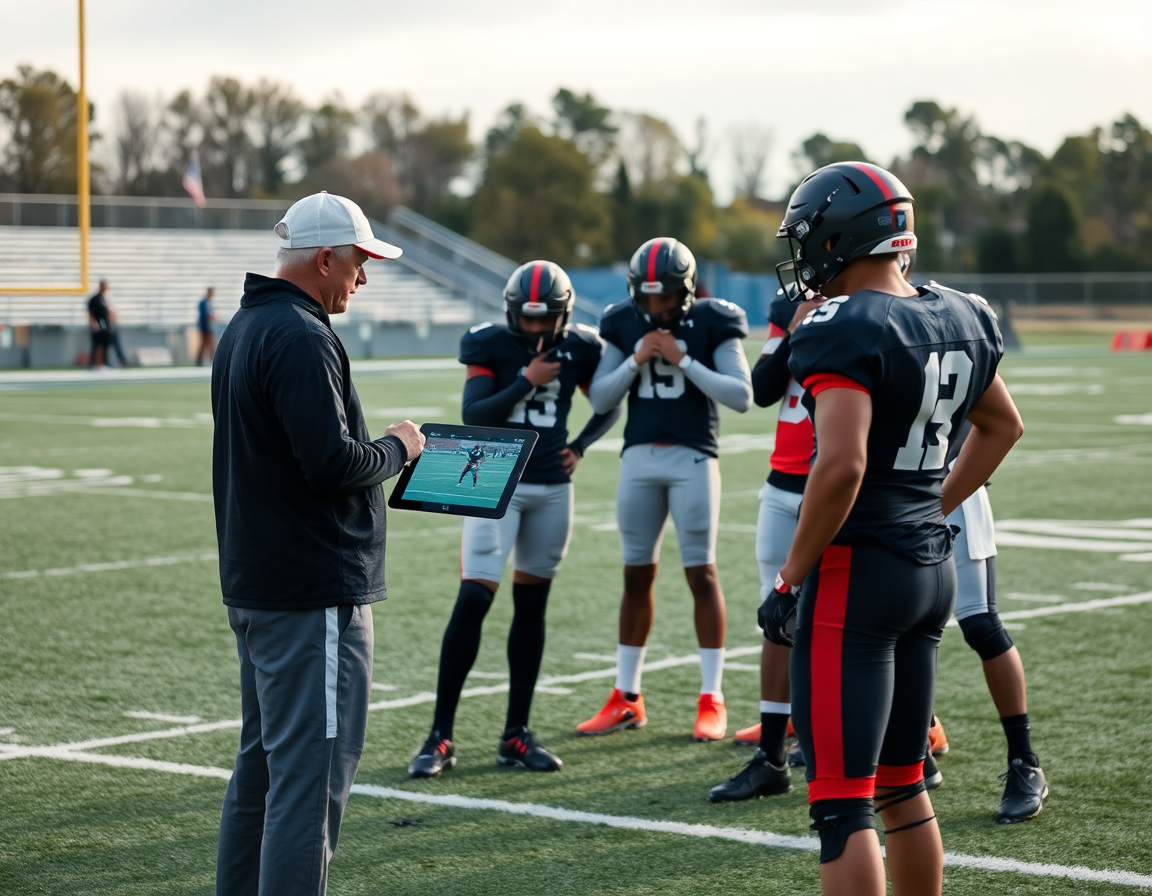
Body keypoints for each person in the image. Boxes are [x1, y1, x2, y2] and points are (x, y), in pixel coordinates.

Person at [758, 162, 1022, 896]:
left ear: (841, 239)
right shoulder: (961, 311)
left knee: (843, 803)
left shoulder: (845, 325)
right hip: (928, 570)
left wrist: (790, 577)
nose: (804, 257)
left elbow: (839, 467)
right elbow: (1003, 427)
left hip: (857, 577)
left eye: (809, 240)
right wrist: (932, 505)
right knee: (903, 785)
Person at [211, 191, 425, 896]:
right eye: (359, 262)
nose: (362, 278)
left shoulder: (247, 325)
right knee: (307, 787)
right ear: (325, 258)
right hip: (312, 596)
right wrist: (397, 447)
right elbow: (331, 464)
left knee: (262, 775)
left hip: (263, 586)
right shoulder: (301, 335)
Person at [409, 260, 620, 778]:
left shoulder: (583, 346)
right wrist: (527, 379)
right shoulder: (488, 343)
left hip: (551, 484)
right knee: (475, 597)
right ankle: (440, 736)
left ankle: (516, 734)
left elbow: (611, 402)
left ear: (563, 315)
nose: (533, 329)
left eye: (543, 319)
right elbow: (476, 414)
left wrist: (583, 444)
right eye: (525, 319)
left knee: (532, 605)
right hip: (492, 475)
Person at [578, 238, 752, 742]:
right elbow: (603, 398)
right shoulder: (622, 322)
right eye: (647, 299)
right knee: (636, 574)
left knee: (701, 573)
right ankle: (626, 696)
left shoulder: (714, 321)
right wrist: (635, 360)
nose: (654, 309)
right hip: (638, 460)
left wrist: (684, 360)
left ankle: (711, 696)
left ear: (686, 291)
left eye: (664, 299)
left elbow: (741, 396)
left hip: (695, 457)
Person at [708, 284, 821, 802]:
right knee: (777, 614)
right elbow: (764, 387)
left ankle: (909, 730)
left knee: (850, 616)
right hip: (782, 482)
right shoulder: (789, 308)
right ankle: (773, 754)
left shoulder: (873, 304)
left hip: (837, 482)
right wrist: (795, 328)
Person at [941, 420, 1047, 822]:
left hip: (950, 485)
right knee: (898, 625)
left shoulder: (964, 352)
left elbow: (1001, 420)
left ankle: (1025, 761)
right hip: (891, 491)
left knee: (980, 623)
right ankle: (918, 740)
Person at [86, 279, 127, 368]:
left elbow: (110, 311)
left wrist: (113, 320)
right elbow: (91, 312)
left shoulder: (106, 298)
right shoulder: (95, 299)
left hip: (108, 325)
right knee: (97, 344)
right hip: (99, 324)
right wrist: (93, 323)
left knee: (107, 344)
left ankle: (108, 362)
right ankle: (93, 364)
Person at [196, 287, 216, 366]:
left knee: (209, 343)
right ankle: (201, 360)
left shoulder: (208, 302)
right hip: (205, 327)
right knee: (206, 343)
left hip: (208, 326)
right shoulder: (203, 303)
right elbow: (205, 315)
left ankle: (206, 359)